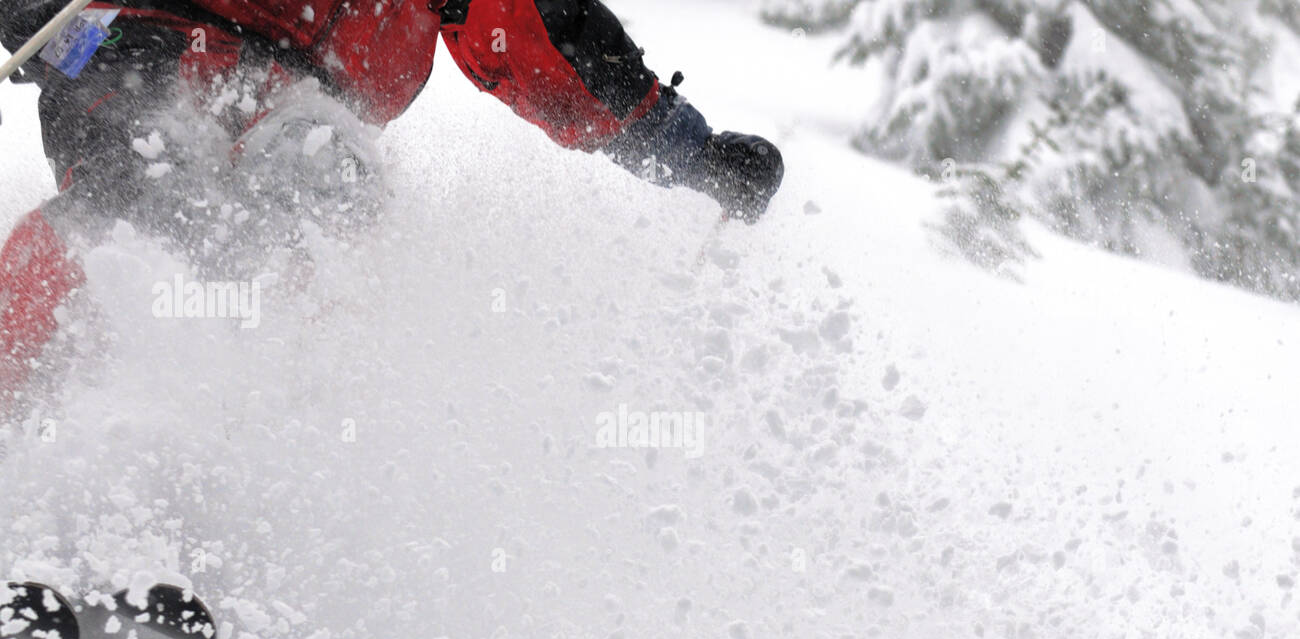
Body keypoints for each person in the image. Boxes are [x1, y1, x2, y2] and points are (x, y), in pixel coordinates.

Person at [0, 0, 784, 413]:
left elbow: (536, 38)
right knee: (140, 210)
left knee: (331, 217)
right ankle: (27, 445)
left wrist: (690, 152)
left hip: (300, 111)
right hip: (144, 37)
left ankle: (192, 482)